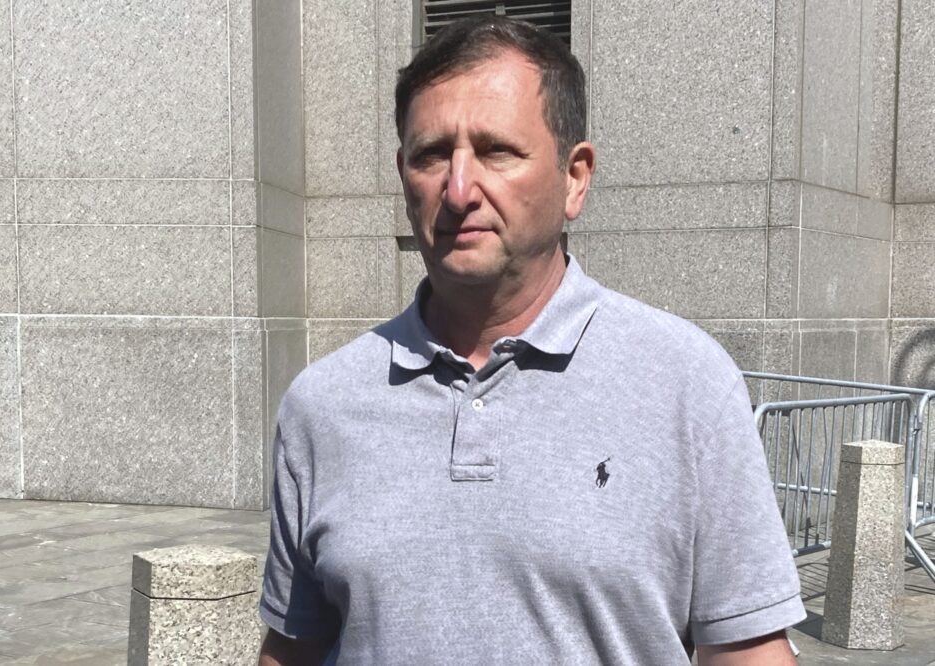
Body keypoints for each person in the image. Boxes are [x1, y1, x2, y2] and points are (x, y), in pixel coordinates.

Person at [259, 16, 805, 665]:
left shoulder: (687, 383)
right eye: (431, 155)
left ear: (575, 178)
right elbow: (293, 647)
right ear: (403, 175)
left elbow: (747, 651)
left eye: (497, 151)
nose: (458, 190)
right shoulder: (322, 405)